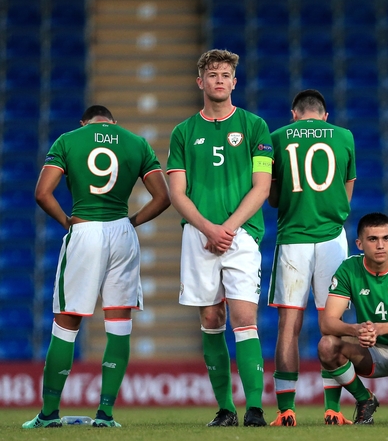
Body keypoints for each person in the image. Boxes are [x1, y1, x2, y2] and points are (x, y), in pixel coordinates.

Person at [23, 105, 170, 428]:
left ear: (84, 122)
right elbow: (163, 197)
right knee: (119, 323)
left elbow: (42, 193)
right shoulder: (137, 143)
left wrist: (67, 221)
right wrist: (131, 222)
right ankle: (105, 415)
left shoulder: (68, 140)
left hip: (85, 228)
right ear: (113, 122)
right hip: (122, 232)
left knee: (67, 322)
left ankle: (48, 414)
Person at [166, 49, 273, 427]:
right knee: (212, 317)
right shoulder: (182, 132)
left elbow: (262, 187)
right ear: (200, 82)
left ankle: (256, 409)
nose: (219, 80)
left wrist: (227, 228)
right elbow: (177, 193)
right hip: (198, 236)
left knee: (245, 319)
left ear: (235, 82)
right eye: (212, 74)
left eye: (226, 74)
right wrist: (208, 229)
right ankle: (226, 408)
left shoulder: (254, 126)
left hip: (242, 235)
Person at [266, 89, 356, 426]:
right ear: (325, 115)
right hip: (333, 237)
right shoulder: (344, 136)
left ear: (294, 114)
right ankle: (333, 409)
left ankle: (286, 411)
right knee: (333, 325)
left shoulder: (278, 137)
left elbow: (272, 197)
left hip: (293, 238)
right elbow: (347, 193)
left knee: (289, 327)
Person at [317, 212, 388, 425]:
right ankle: (364, 399)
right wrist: (357, 330)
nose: (380, 245)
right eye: (373, 239)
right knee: (327, 345)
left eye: (386, 239)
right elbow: (327, 322)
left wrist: (377, 329)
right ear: (359, 244)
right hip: (368, 348)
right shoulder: (349, 268)